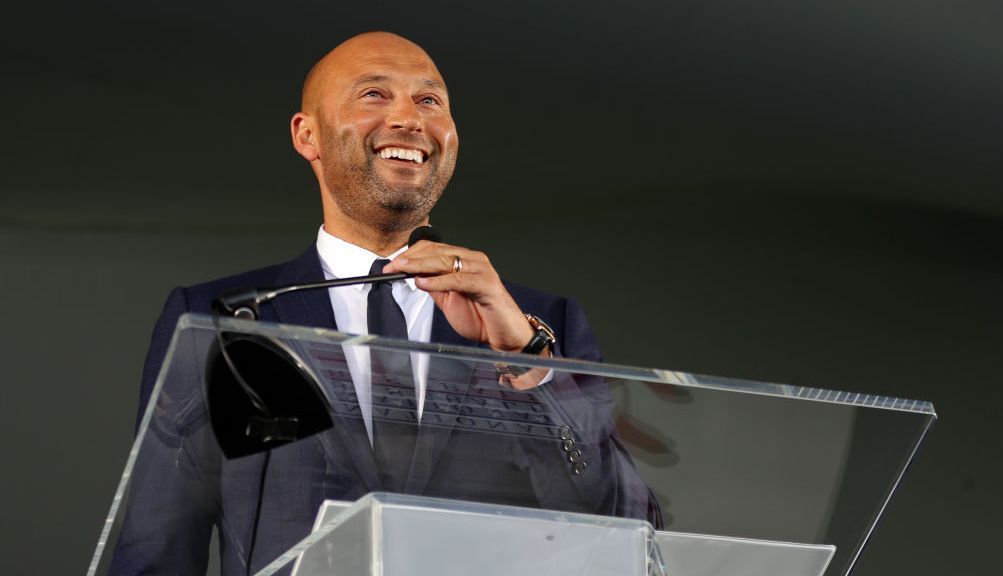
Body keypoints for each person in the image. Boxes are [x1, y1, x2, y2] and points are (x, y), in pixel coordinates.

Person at [111, 32, 659, 576]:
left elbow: (627, 526)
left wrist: (524, 358)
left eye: (430, 101)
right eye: (374, 94)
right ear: (308, 135)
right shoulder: (223, 321)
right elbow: (155, 553)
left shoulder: (539, 327)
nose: (410, 120)